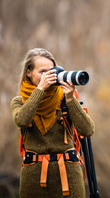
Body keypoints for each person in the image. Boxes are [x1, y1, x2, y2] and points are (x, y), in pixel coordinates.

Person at [11, 48, 95, 198]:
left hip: (69, 176)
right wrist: (40, 89)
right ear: (28, 73)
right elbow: (22, 120)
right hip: (33, 178)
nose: (49, 76)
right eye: (43, 72)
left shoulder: (65, 97)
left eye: (52, 71)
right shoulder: (19, 101)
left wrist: (71, 99)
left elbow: (87, 130)